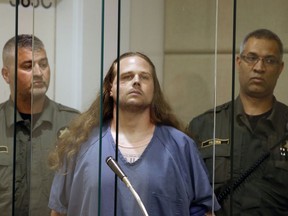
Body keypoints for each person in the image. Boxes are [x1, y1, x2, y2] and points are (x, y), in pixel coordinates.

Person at [48, 52, 220, 216]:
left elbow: (204, 211)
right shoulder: (79, 145)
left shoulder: (180, 146)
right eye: (126, 76)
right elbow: (59, 212)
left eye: (144, 77)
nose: (136, 81)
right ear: (110, 89)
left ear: (154, 90)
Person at [188, 29, 288, 215]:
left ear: (280, 68)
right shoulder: (205, 126)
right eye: (252, 57)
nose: (259, 67)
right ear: (238, 62)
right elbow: (185, 193)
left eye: (269, 60)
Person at [0, 34, 79, 215]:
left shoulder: (74, 124)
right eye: (28, 66)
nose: (38, 72)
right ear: (6, 75)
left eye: (43, 64)